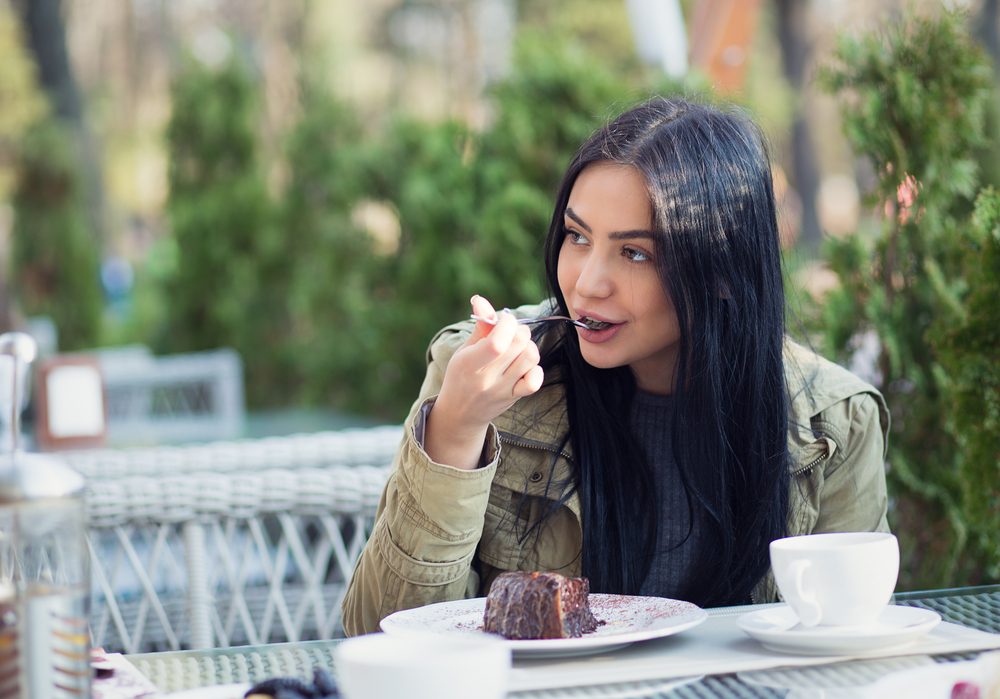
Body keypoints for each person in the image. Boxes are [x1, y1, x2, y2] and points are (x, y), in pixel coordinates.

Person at [341, 96, 890, 636]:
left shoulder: (834, 424)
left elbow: (848, 639)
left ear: (723, 273)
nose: (585, 283)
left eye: (635, 253)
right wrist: (457, 428)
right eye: (577, 237)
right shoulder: (482, 373)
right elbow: (378, 632)